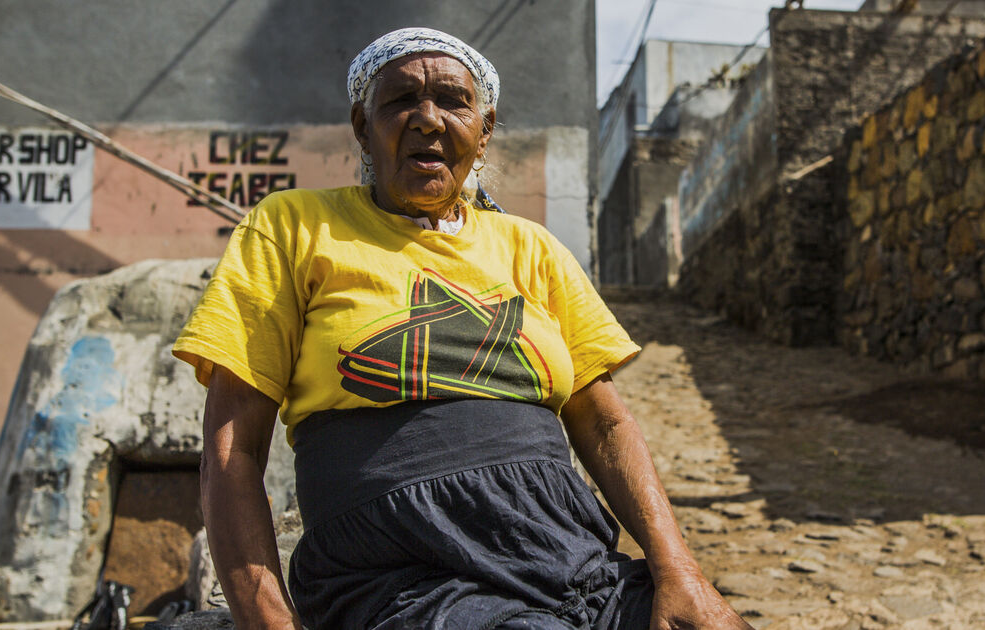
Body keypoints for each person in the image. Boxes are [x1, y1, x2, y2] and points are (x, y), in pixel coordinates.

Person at [173, 27, 752, 630]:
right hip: (401, 569)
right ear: (361, 126)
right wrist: (269, 622)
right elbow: (231, 450)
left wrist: (680, 572)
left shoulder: (531, 247)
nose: (427, 118)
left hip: (565, 555)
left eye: (453, 100)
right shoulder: (292, 227)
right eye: (399, 100)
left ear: (484, 130)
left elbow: (604, 423)